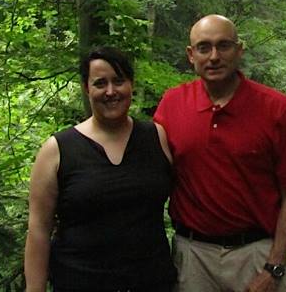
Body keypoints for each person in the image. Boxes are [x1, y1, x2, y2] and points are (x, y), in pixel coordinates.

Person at [154, 14, 286, 292]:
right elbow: (150, 173)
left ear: (239, 50)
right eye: (204, 48)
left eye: (224, 46)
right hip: (193, 256)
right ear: (191, 55)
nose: (214, 56)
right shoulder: (172, 103)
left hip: (256, 254)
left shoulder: (278, 109)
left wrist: (275, 265)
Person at [24, 47, 177, 292]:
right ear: (86, 88)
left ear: (131, 84)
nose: (110, 92)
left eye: (118, 81)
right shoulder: (58, 149)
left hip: (152, 281)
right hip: (80, 281)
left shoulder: (156, 137)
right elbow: (39, 229)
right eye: (100, 83)